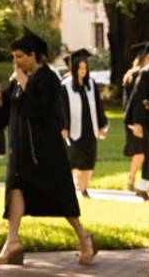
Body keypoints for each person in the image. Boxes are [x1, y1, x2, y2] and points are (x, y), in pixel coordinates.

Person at [0, 30, 95, 267]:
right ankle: (12, 242)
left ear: (33, 55)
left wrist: (24, 83)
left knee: (61, 198)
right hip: (22, 152)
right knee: (15, 190)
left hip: (46, 153)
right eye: (13, 57)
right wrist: (0, 100)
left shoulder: (49, 79)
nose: (15, 62)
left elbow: (40, 110)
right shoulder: (18, 80)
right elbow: (9, 113)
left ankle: (84, 238)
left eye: (19, 56)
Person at [63, 49, 108, 198]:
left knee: (89, 160)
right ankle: (69, 187)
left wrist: (102, 126)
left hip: (90, 128)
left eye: (85, 67)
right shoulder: (66, 86)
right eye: (80, 68)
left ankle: (83, 189)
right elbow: (61, 109)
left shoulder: (91, 84)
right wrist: (63, 127)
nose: (83, 71)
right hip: (74, 129)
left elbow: (98, 106)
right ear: (74, 68)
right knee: (74, 160)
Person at [122, 38, 149, 199]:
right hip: (146, 121)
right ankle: (142, 186)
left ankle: (146, 186)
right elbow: (137, 100)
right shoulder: (146, 73)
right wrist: (137, 123)